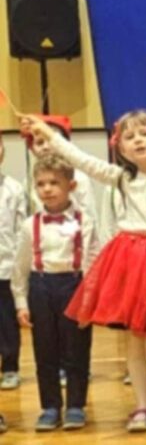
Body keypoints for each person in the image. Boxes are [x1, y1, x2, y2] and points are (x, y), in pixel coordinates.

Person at [24, 112, 146, 431]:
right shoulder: (121, 179)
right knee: (134, 342)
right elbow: (82, 160)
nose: (137, 140)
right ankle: (141, 406)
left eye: (144, 133)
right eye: (129, 137)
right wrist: (48, 133)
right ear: (121, 148)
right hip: (128, 262)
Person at [12, 155, 98, 431]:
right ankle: (49, 406)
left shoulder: (85, 222)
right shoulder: (30, 225)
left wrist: (89, 301)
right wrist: (21, 302)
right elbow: (20, 267)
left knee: (77, 349)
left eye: (54, 183)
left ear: (71, 186)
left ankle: (75, 405)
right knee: (45, 351)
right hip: (41, 287)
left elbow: (93, 263)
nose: (47, 189)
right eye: (41, 184)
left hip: (74, 286)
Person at [0, 135, 26, 391]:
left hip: (5, 266)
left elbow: (21, 230)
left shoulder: (14, 189)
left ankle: (10, 367)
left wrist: (20, 265)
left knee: (7, 321)